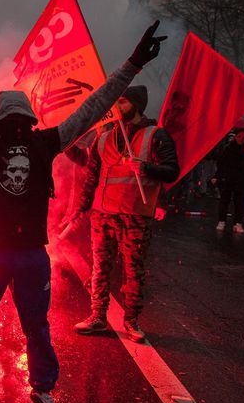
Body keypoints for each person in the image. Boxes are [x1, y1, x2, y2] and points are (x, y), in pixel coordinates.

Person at [0, 21, 166, 403]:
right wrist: (131, 64)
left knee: (21, 324)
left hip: (19, 252)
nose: (14, 127)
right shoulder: (23, 142)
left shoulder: (8, 142)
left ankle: (30, 391)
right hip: (1, 252)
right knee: (3, 323)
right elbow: (92, 108)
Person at [71, 85, 179, 344]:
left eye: (123, 102)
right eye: (117, 102)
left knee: (134, 270)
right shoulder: (104, 137)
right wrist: (81, 208)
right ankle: (97, 316)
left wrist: (148, 168)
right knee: (100, 268)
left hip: (135, 215)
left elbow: (172, 171)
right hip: (103, 213)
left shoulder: (157, 136)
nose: (117, 107)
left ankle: (131, 321)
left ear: (137, 105)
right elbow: (92, 177)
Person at [211, 130, 244, 233]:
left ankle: (237, 223)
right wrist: (217, 176)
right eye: (239, 136)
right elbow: (221, 164)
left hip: (241, 180)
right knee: (224, 201)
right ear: (235, 137)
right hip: (227, 179)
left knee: (239, 202)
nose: (241, 139)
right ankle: (222, 221)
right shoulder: (227, 148)